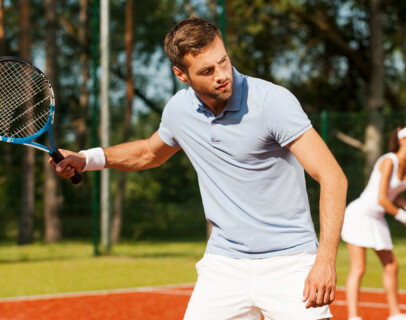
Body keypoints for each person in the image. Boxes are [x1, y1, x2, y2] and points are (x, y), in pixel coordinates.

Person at [50, 17, 348, 320]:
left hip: (290, 261)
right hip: (224, 264)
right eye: (207, 70)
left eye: (223, 61)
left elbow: (332, 177)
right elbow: (148, 153)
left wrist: (324, 260)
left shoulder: (273, 102)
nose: (222, 75)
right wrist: (86, 159)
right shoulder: (179, 111)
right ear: (181, 74)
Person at [340, 123, 406, 320]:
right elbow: (382, 198)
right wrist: (404, 217)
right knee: (359, 267)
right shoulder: (389, 161)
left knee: (391, 266)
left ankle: (395, 314)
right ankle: (353, 316)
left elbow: (394, 194)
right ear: (402, 141)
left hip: (377, 218)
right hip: (359, 215)